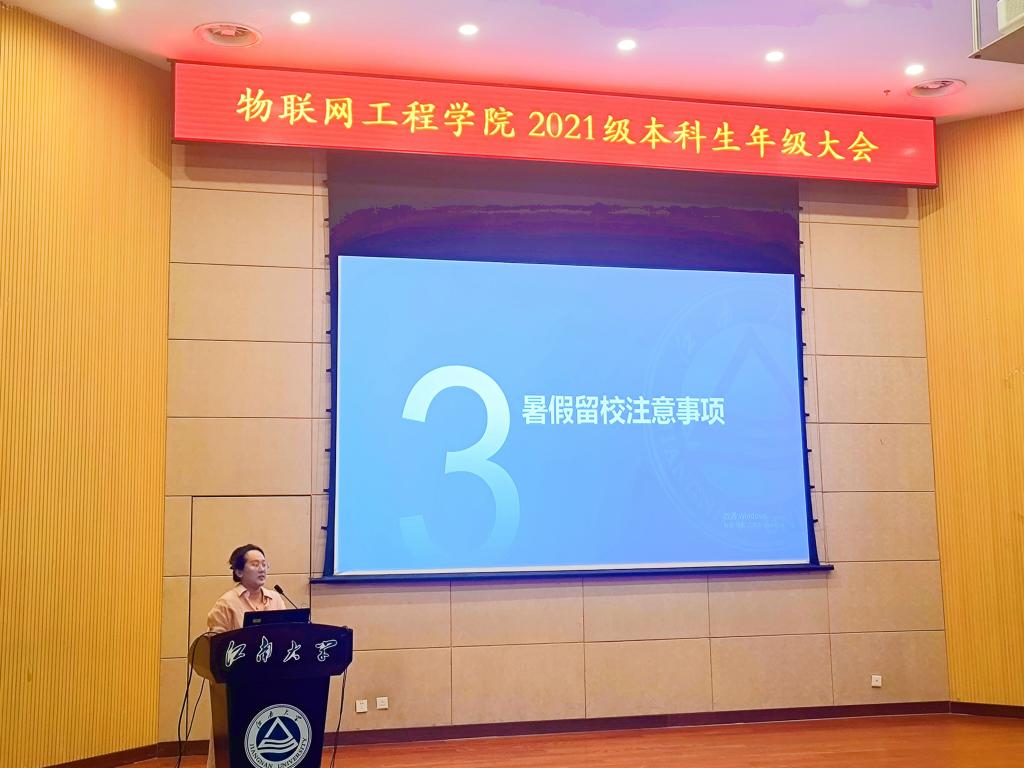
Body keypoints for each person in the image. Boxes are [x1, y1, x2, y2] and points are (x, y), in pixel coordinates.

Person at [207, 544, 288, 633]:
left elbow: (285, 632)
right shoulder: (226, 603)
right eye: (255, 565)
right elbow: (216, 640)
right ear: (239, 572)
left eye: (264, 564)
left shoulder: (275, 599)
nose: (262, 569)